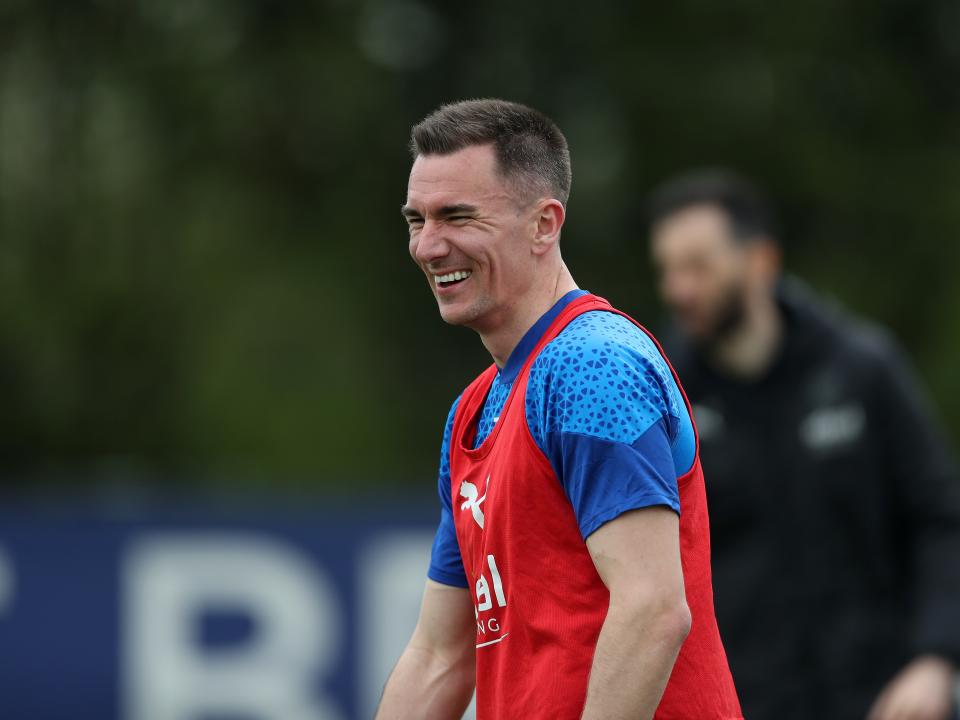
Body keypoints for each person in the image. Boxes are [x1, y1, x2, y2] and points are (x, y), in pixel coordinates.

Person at [376, 100, 742, 719]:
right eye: (417, 220)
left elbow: (652, 610)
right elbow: (441, 655)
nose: (429, 246)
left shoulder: (591, 365)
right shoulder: (474, 409)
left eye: (458, 216)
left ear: (545, 224)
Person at [647, 168, 960, 720]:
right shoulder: (660, 397)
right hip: (744, 705)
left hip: (883, 699)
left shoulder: (863, 370)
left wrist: (936, 658)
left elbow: (940, 518)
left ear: (761, 261)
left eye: (698, 265)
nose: (679, 289)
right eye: (669, 269)